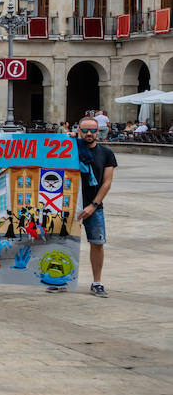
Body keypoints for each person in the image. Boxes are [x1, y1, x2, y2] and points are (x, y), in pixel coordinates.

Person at [74, 115, 116, 297]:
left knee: (97, 243)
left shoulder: (106, 153)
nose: (88, 133)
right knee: (61, 241)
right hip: (70, 206)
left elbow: (106, 183)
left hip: (94, 205)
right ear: (78, 131)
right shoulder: (68, 149)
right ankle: (60, 278)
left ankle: (97, 282)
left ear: (98, 132)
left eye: (92, 130)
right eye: (84, 130)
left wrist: (93, 205)